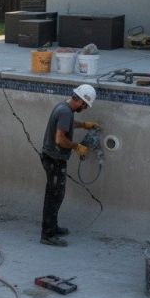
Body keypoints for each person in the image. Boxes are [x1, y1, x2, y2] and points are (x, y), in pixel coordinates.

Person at [39, 84, 100, 247]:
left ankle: (52, 226)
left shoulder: (64, 107)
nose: (85, 108)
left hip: (51, 157)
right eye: (85, 105)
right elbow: (60, 139)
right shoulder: (66, 112)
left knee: (55, 194)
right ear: (79, 100)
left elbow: (67, 124)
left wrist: (84, 124)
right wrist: (76, 147)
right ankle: (47, 235)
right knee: (54, 195)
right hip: (54, 158)